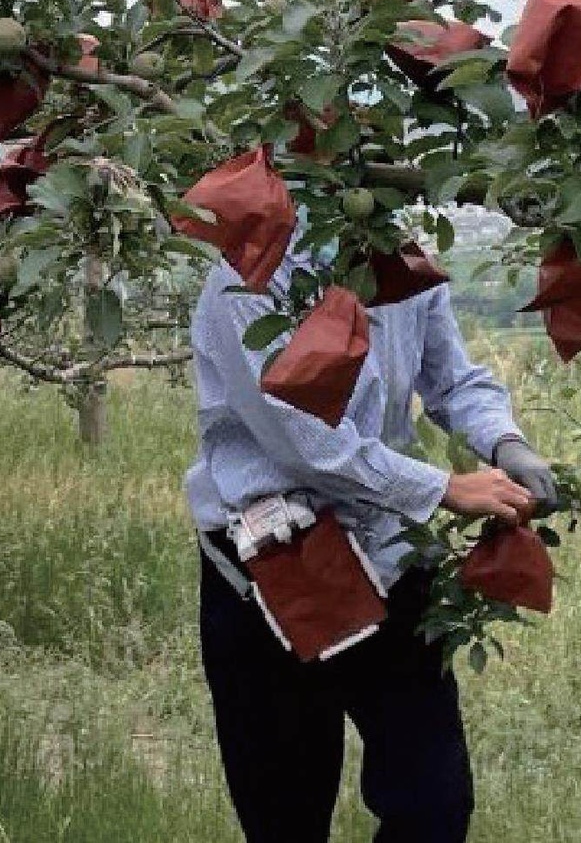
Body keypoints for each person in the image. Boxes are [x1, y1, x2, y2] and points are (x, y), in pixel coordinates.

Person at [186, 247, 560, 843]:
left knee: (434, 805)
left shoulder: (403, 258)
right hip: (273, 567)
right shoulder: (248, 275)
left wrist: (505, 441)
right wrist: (443, 487)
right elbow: (300, 439)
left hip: (388, 553)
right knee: (286, 814)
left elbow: (452, 379)